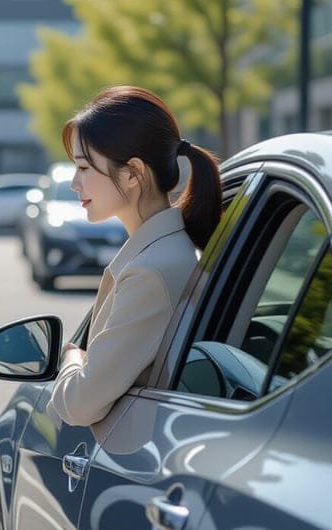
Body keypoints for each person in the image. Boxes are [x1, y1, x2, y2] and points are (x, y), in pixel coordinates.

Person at [47, 86, 223, 437]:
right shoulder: (161, 253)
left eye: (84, 167)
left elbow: (81, 403)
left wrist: (71, 358)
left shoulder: (150, 271)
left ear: (132, 174)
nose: (73, 182)